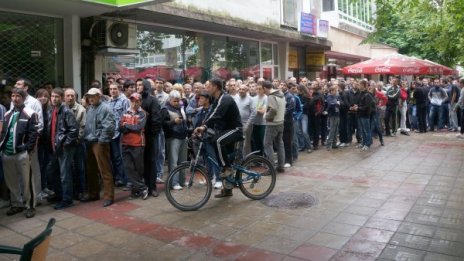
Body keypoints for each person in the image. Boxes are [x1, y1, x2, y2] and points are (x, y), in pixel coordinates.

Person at [193, 78, 243, 198]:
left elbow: (217, 115)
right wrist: (203, 126)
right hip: (225, 131)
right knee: (225, 158)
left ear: (216, 87)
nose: (207, 88)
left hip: (235, 130)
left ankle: (227, 169)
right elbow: (211, 114)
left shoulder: (225, 98)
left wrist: (204, 127)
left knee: (218, 141)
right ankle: (228, 189)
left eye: (209, 86)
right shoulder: (217, 99)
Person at [0, 88, 39, 218]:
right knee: (11, 182)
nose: (15, 98)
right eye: (13, 96)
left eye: (18, 96)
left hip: (22, 154)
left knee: (27, 181)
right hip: (7, 153)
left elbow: (34, 134)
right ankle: (16, 204)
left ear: (23, 98)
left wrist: (27, 148)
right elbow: (4, 133)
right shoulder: (7, 114)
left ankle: (30, 206)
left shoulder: (30, 113)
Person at [81, 88, 116, 207]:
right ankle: (93, 193)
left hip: (99, 143)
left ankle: (109, 196)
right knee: (91, 170)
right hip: (90, 142)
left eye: (93, 96)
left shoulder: (105, 108)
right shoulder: (90, 108)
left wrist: (101, 141)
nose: (90, 98)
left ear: (98, 96)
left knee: (104, 170)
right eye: (89, 96)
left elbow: (109, 127)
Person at [46, 88, 78, 210]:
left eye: (57, 97)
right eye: (52, 96)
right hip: (55, 147)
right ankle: (59, 195)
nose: (54, 99)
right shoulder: (52, 110)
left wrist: (65, 144)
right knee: (51, 171)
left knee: (65, 175)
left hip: (64, 148)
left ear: (62, 98)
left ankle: (67, 199)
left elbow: (73, 130)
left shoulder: (66, 111)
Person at [14, 78, 43, 207]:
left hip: (30, 143)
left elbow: (39, 124)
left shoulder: (34, 102)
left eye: (19, 84)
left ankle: (36, 197)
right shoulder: (14, 101)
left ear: (25, 88)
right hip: (16, 144)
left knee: (33, 171)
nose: (16, 86)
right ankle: (22, 198)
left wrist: (32, 143)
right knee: (19, 172)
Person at [120, 93, 148, 200]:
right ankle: (143, 188)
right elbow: (120, 127)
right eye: (132, 101)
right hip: (125, 143)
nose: (134, 103)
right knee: (128, 168)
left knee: (138, 169)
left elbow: (139, 127)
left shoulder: (143, 113)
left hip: (138, 144)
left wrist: (126, 125)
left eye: (137, 101)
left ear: (140, 102)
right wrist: (128, 127)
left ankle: (136, 191)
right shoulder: (125, 112)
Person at [136, 79, 162, 197]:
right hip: (138, 136)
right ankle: (142, 187)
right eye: (137, 85)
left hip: (150, 136)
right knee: (140, 163)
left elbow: (156, 119)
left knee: (151, 161)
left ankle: (152, 187)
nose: (138, 87)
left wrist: (152, 133)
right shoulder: (136, 99)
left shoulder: (153, 100)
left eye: (140, 85)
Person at [162, 90, 189, 190]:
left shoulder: (181, 107)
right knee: (173, 161)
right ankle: (174, 183)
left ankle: (182, 181)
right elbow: (163, 124)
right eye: (175, 101)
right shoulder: (165, 109)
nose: (177, 103)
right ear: (170, 100)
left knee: (183, 161)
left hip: (183, 136)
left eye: (178, 101)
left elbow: (185, 121)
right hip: (173, 138)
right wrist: (173, 122)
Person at [64, 88, 87, 200]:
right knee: (67, 169)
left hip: (77, 143)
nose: (70, 97)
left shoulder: (81, 109)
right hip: (65, 144)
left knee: (80, 168)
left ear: (76, 97)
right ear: (64, 97)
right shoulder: (62, 108)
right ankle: (70, 192)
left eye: (72, 95)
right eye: (68, 95)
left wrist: (77, 140)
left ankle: (81, 191)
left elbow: (82, 127)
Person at [108, 83, 130, 187]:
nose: (113, 91)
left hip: (121, 133)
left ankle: (126, 179)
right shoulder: (109, 101)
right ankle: (119, 178)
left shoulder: (124, 100)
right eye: (111, 89)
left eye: (115, 89)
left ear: (119, 90)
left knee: (122, 157)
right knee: (116, 157)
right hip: (112, 134)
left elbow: (127, 116)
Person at [262, 80, 286, 173]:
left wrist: (266, 116)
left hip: (272, 124)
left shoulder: (271, 96)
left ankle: (271, 168)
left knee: (267, 144)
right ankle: (281, 166)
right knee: (280, 144)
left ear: (264, 88)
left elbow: (273, 109)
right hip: (280, 122)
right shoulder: (281, 94)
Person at [356, 80, 375, 151]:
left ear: (363, 85)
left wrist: (358, 108)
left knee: (366, 130)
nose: (358, 86)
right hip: (360, 114)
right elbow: (360, 103)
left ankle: (367, 144)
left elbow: (367, 106)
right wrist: (356, 106)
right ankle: (363, 143)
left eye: (359, 84)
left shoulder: (367, 95)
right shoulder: (361, 93)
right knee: (362, 130)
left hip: (365, 115)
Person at [325, 85, 341, 150]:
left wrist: (337, 103)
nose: (336, 91)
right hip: (332, 115)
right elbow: (330, 104)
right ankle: (328, 145)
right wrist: (336, 103)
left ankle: (334, 144)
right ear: (331, 91)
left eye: (336, 90)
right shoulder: (329, 96)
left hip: (337, 114)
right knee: (332, 130)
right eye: (335, 90)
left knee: (336, 130)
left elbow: (341, 102)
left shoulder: (337, 96)